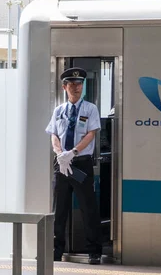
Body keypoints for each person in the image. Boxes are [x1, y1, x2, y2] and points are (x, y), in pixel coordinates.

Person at [45, 67, 102, 265]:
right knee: (59, 208)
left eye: (79, 84)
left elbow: (91, 134)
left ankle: (94, 251)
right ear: (64, 87)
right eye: (71, 84)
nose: (76, 88)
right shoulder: (59, 111)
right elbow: (54, 134)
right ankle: (55, 250)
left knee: (88, 208)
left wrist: (73, 152)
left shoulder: (90, 109)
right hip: (61, 164)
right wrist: (60, 154)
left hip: (80, 164)